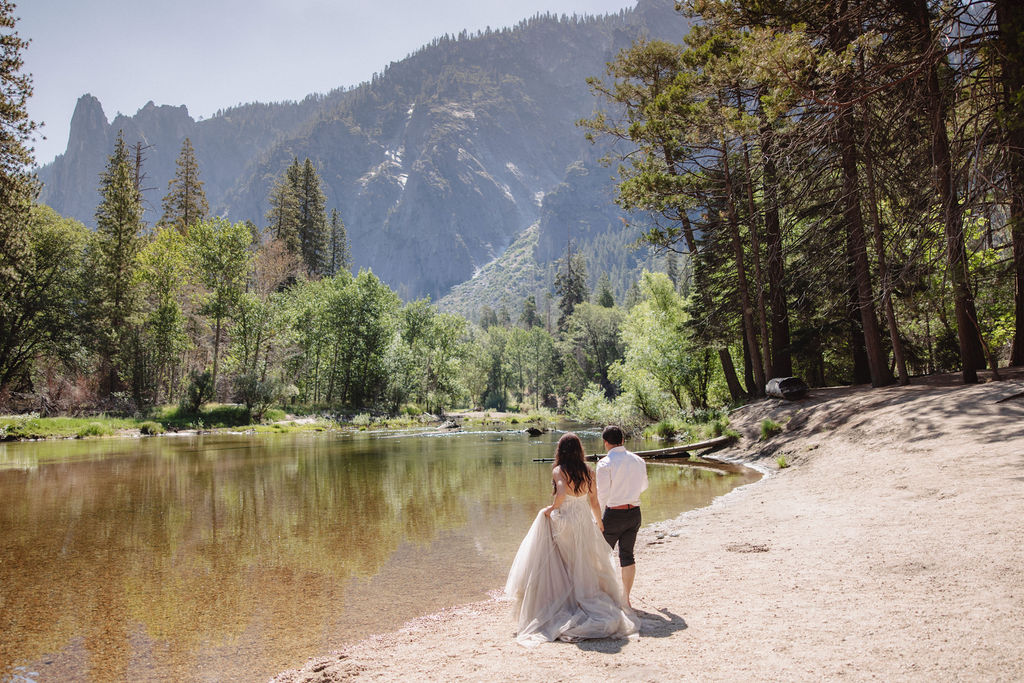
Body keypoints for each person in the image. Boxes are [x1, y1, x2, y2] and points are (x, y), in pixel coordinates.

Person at [504, 432, 638, 646]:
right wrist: (599, 522)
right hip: (583, 520)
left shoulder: (559, 470)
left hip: (565, 519)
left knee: (562, 561)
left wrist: (551, 508)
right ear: (579, 450)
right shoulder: (588, 471)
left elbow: (560, 493)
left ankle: (564, 602)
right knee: (580, 561)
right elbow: (594, 501)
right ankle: (579, 598)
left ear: (560, 450)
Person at [596, 424, 648, 608]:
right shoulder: (638, 460)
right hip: (634, 512)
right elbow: (643, 486)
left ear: (605, 443)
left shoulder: (604, 464)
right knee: (627, 555)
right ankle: (626, 598)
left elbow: (602, 494)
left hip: (613, 514)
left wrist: (598, 519)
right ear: (623, 441)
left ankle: (604, 596)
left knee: (601, 555)